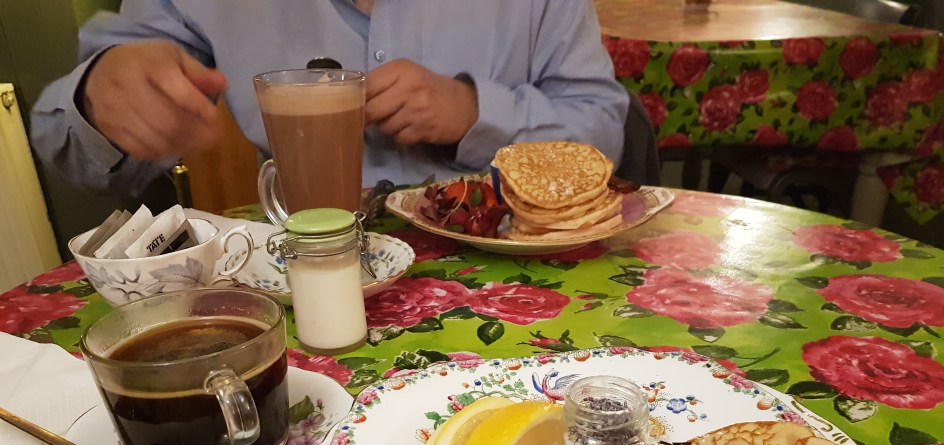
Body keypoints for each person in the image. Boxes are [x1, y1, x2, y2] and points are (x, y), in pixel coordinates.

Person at [31, 0, 629, 197]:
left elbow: (602, 131)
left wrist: (475, 114)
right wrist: (103, 98)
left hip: (517, 273)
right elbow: (69, 146)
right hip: (302, 280)